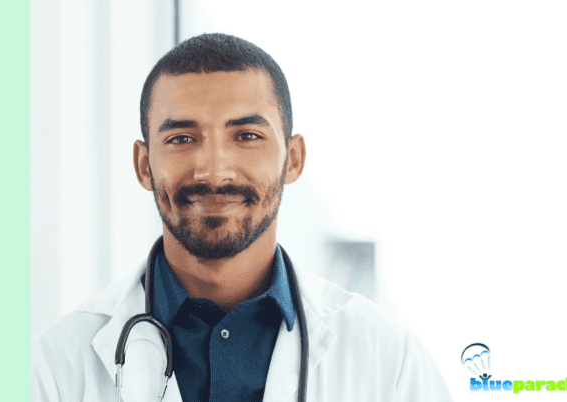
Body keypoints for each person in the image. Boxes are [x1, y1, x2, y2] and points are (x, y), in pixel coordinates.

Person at [30, 33, 452, 402]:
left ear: (294, 159)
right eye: (181, 138)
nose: (214, 171)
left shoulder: (389, 361)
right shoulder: (54, 367)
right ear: (143, 165)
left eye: (247, 136)